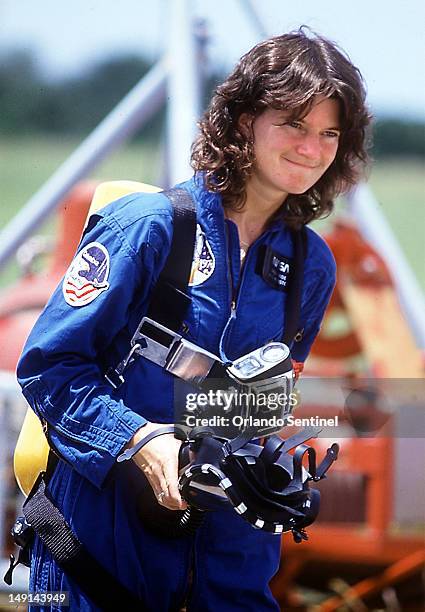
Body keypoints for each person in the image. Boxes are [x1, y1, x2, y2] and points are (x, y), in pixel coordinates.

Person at [16, 28, 370, 611]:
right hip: (103, 537)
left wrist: (263, 468)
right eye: (293, 124)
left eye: (330, 133)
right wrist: (141, 441)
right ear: (240, 122)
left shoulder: (311, 265)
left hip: (230, 549)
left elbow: (263, 403)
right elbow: (50, 368)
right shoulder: (149, 227)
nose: (313, 148)